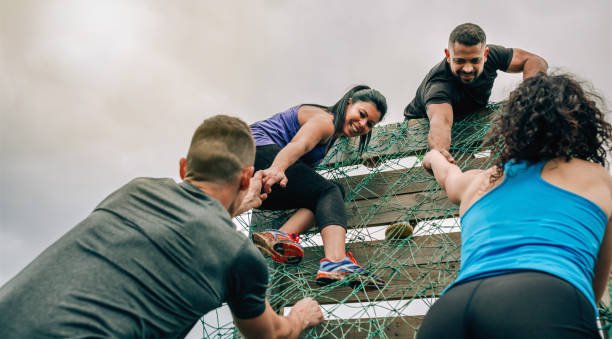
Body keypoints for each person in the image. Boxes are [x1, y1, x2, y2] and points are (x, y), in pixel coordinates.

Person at [0, 115, 324, 338]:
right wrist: (300, 316)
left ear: (184, 167)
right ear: (245, 177)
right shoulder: (239, 256)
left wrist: (239, 202)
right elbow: (270, 334)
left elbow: (194, 216)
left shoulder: (135, 190)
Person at [417, 73, 612, 338]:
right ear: (580, 126)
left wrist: (432, 157)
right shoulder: (597, 178)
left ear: (511, 126)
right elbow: (593, 282)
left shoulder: (479, 181)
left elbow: (447, 173)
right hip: (543, 302)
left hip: (450, 311)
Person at [250, 85, 387, 288]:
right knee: (329, 191)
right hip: (255, 154)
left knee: (328, 195)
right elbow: (299, 145)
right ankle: (336, 261)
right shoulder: (325, 121)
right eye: (362, 114)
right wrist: (277, 168)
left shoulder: (335, 132)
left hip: (261, 182)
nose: (362, 124)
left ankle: (278, 237)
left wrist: (365, 157)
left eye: (369, 124)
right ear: (349, 103)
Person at [404, 22, 548, 163]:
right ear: (448, 55)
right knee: (459, 168)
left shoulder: (493, 55)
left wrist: (529, 92)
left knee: (505, 152)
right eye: (460, 61)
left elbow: (534, 60)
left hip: (468, 115)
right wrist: (439, 155)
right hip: (425, 124)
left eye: (475, 61)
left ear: (485, 54)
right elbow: (442, 123)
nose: (468, 68)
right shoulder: (439, 86)